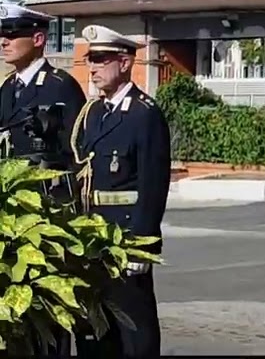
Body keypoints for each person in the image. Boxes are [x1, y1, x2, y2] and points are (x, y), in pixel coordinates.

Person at [71, 25, 170, 359]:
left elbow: (153, 185)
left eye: (101, 58)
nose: (93, 67)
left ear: (125, 63)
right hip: (92, 236)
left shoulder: (144, 114)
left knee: (134, 329)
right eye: (90, 59)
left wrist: (142, 245)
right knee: (96, 329)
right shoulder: (94, 113)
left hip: (125, 236)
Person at [0, 4, 84, 356]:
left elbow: (76, 155)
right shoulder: (8, 88)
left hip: (47, 212)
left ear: (37, 39)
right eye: (1, 35)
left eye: (12, 35)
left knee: (49, 310)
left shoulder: (60, 87)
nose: (3, 42)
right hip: (11, 216)